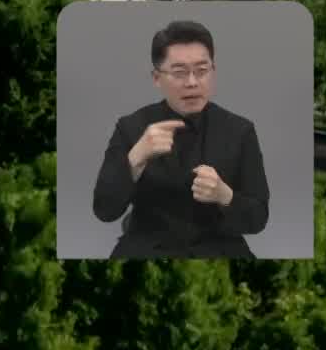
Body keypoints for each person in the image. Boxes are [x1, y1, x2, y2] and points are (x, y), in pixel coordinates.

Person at [92, 20, 270, 258]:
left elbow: (258, 219)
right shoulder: (131, 127)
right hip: (147, 248)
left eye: (202, 70)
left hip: (219, 248)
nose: (192, 82)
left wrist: (224, 196)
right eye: (179, 72)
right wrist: (136, 158)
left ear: (213, 72)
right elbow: (105, 211)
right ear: (157, 78)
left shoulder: (240, 130)